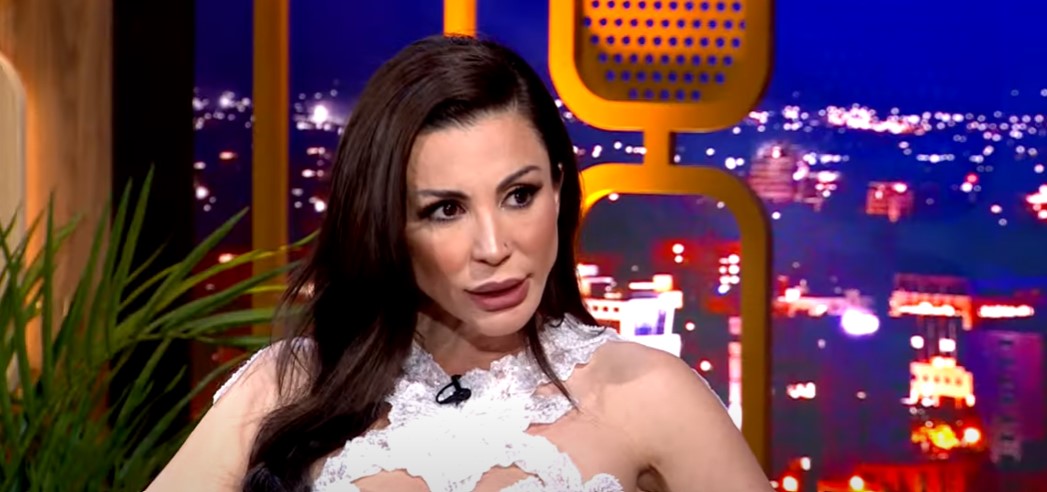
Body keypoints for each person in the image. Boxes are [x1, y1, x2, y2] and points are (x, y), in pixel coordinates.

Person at [145, 34, 771, 492]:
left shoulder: (650, 393)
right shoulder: (287, 386)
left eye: (519, 195)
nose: (493, 246)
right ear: (387, 224)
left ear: (559, 189)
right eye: (446, 210)